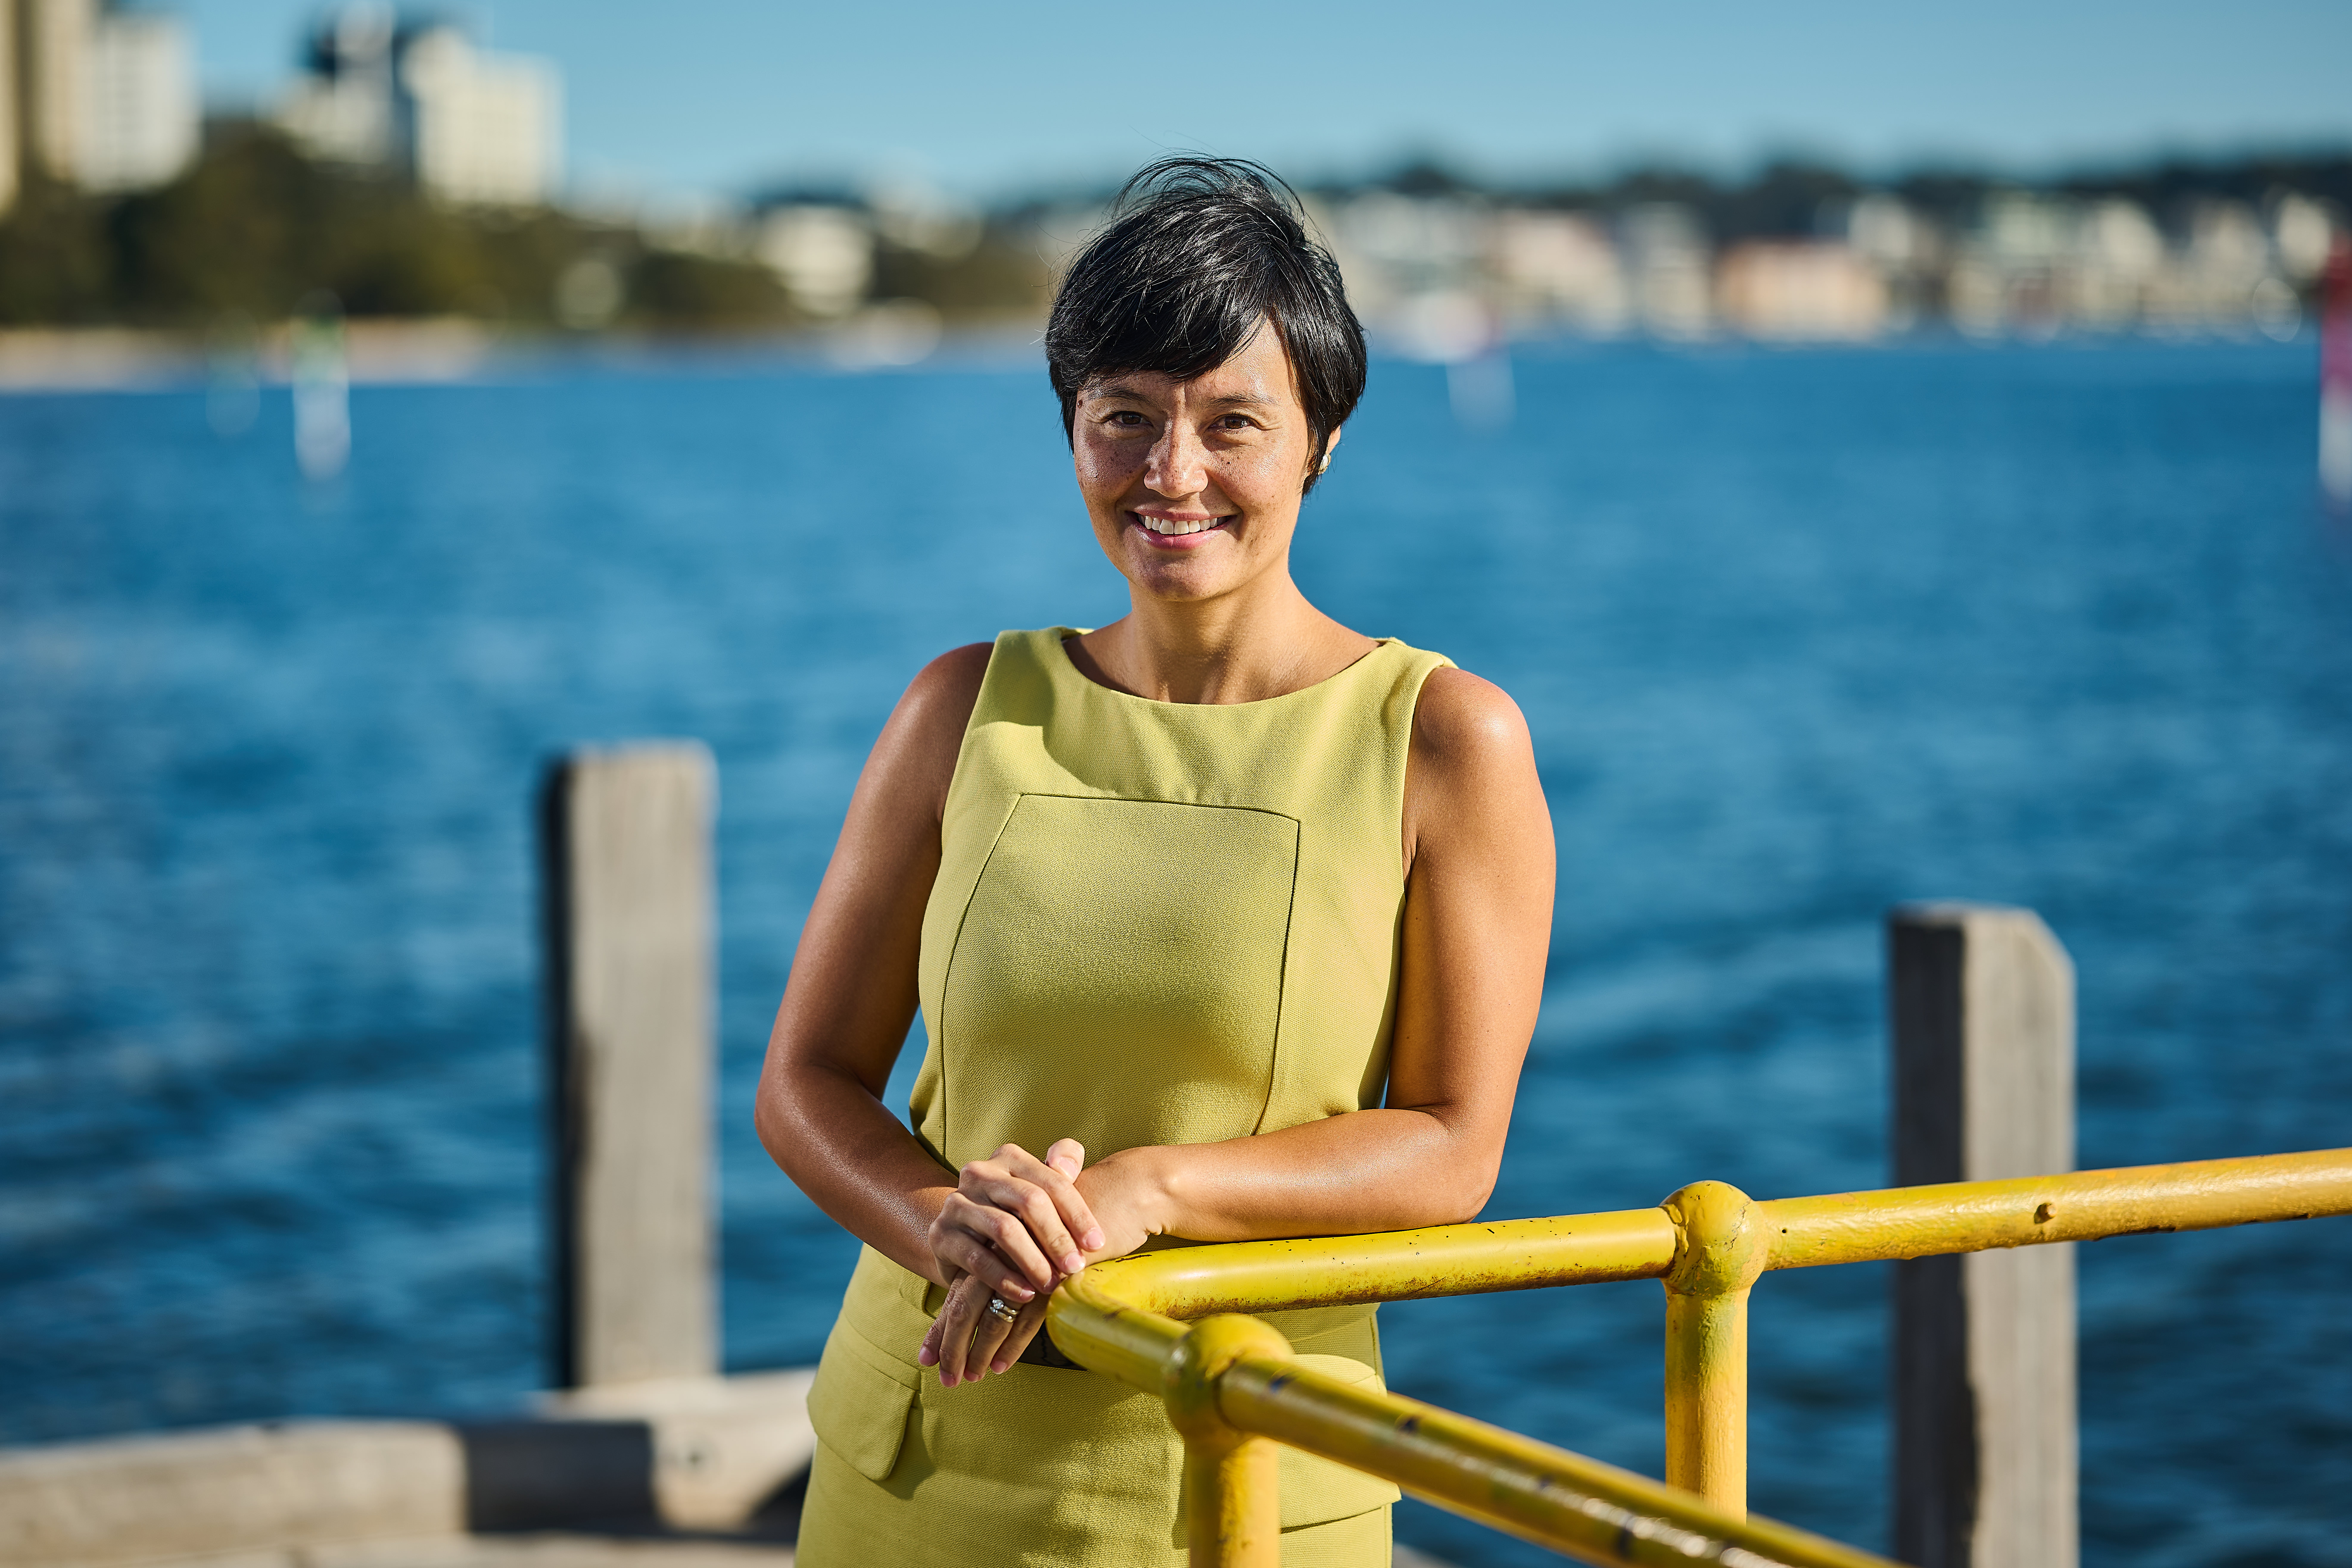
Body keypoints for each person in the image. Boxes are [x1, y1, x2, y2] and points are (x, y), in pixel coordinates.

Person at [755, 158, 1554, 1566]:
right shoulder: (961, 708)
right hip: (915, 1456)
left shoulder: (1439, 739)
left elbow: (1451, 1147)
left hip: (1238, 1470)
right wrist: (946, 1226)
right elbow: (805, 1084)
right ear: (1071, 433)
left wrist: (1148, 1190)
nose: (1169, 474)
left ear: (1321, 443)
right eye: (1123, 419)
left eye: (1230, 423)